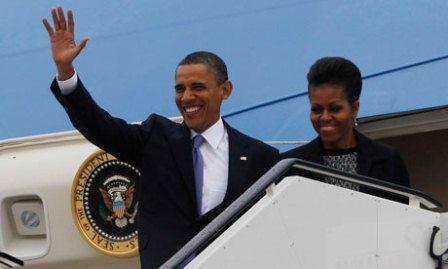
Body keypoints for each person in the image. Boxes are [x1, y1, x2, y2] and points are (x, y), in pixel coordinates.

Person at [42, 7, 279, 269]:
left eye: (197, 87)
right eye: (180, 89)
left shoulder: (260, 157)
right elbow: (100, 126)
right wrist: (66, 72)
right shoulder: (156, 138)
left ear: (225, 90)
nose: (186, 97)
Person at [281, 57, 410, 197]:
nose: (325, 117)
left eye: (334, 109)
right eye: (317, 109)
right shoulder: (289, 166)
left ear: (354, 109)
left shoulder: (387, 160)